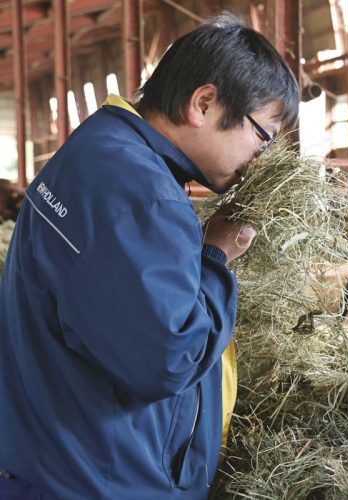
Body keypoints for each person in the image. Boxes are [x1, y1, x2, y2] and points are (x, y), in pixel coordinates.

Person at [0, 13, 299, 499]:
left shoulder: (98, 150)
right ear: (203, 103)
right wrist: (215, 258)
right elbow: (168, 361)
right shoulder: (143, 194)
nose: (259, 160)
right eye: (262, 136)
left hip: (58, 456)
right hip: (102, 479)